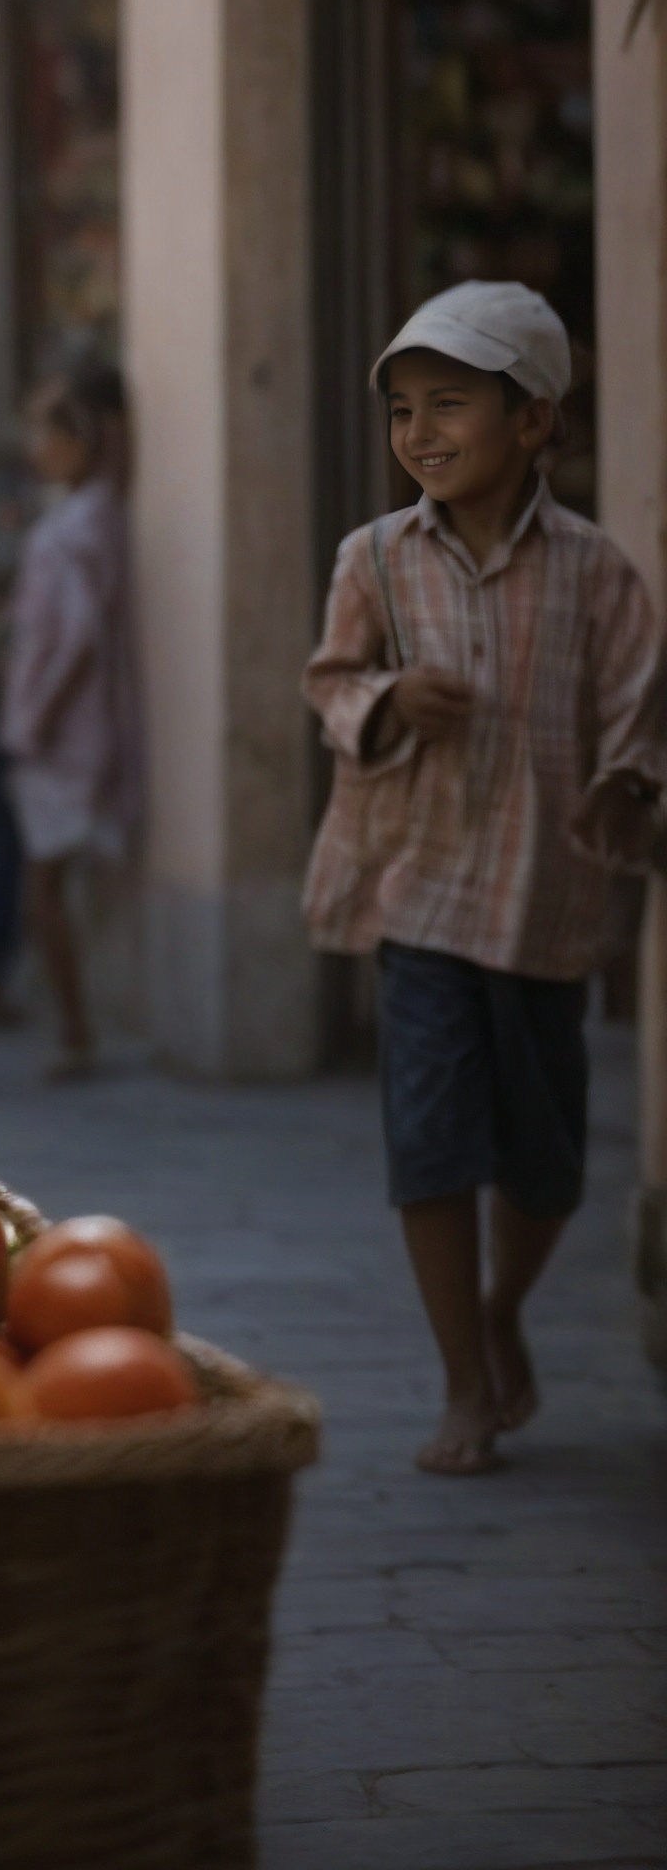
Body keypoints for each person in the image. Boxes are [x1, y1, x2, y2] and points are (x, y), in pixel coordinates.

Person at [301, 282, 662, 1475]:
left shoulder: (600, 573)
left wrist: (629, 781)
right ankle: (463, 1381)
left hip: (545, 902)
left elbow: (639, 712)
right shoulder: (377, 560)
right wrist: (388, 700)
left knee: (547, 1166)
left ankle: (507, 1308)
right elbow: (330, 684)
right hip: (420, 888)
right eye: (404, 410)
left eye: (449, 405)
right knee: (432, 1146)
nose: (420, 433)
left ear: (537, 422)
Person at [4, 358, 140, 1078]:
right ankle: (76, 1023)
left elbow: (79, 637)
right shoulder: (86, 518)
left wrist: (38, 717)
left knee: (44, 882)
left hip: (64, 730)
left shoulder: (80, 526)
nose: (38, 446)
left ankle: (76, 1030)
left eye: (51, 431)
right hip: (67, 722)